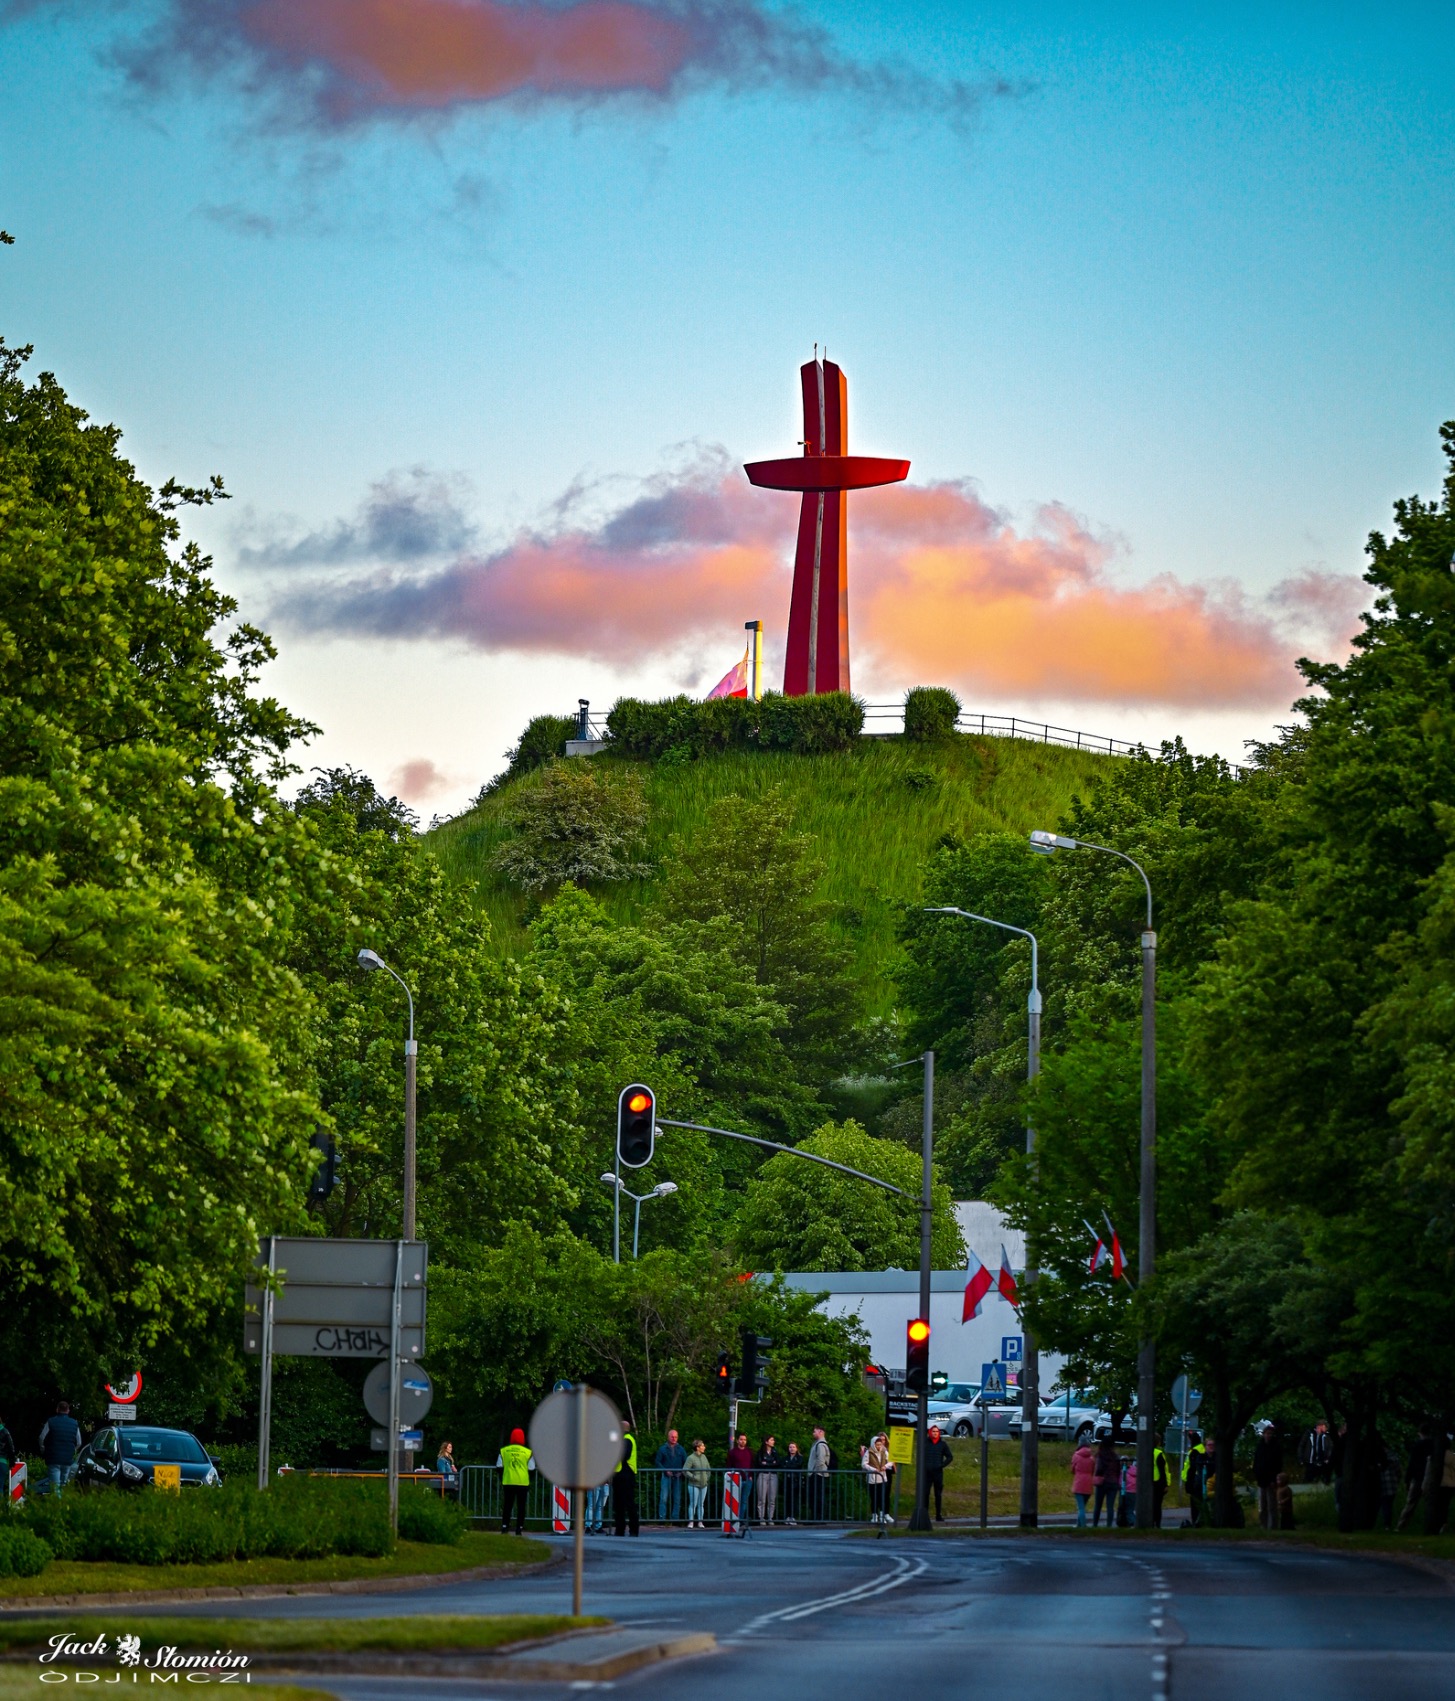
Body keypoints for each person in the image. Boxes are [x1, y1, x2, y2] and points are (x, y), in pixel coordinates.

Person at [496, 1427, 534, 1535]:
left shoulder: (504, 1451)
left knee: (507, 1505)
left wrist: (502, 1477)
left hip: (508, 1481)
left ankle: (505, 1527)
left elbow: (499, 1467)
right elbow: (531, 1468)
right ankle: (519, 1528)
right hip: (522, 1482)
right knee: (521, 1506)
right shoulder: (528, 1452)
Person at [38, 1402, 80, 1498]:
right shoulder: (74, 1423)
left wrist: (43, 1448)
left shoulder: (51, 1422)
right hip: (67, 1459)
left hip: (53, 1458)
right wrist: (73, 1450)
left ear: (57, 1409)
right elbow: (79, 1442)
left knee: (55, 1486)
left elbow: (41, 1437)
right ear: (68, 1411)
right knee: (63, 1484)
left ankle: (57, 1503)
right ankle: (63, 1503)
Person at [1398, 1423, 1434, 1531]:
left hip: (1417, 1477)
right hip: (1431, 1477)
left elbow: (1412, 1464)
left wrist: (1407, 1479)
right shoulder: (1434, 1445)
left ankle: (1401, 1526)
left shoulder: (1417, 1446)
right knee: (1431, 1503)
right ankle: (1432, 1525)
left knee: (1411, 1503)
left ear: (1419, 1433)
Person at [613, 1420, 640, 1536]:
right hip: (623, 1474)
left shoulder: (627, 1440)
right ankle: (622, 1529)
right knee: (620, 1504)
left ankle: (630, 1529)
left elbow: (624, 1456)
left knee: (626, 1503)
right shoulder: (626, 1439)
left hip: (625, 1474)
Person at [655, 1428, 686, 1524]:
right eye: (672, 1437)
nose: (674, 1438)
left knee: (677, 1498)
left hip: (677, 1477)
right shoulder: (662, 1449)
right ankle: (662, 1519)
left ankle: (675, 1519)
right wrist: (665, 1470)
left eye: (676, 1437)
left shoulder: (681, 1449)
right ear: (668, 1437)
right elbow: (657, 1462)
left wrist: (682, 1472)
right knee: (663, 1498)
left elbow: (686, 1463)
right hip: (666, 1476)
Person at [1254, 1423, 1282, 1531]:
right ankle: (1263, 1525)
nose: (1268, 1435)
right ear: (1263, 1434)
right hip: (1261, 1479)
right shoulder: (1260, 1447)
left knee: (1271, 1505)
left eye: (1270, 1434)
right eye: (1267, 1433)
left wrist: (1274, 1479)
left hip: (1271, 1480)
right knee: (1262, 1505)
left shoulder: (1276, 1447)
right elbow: (1257, 1462)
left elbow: (1278, 1465)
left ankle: (1272, 1526)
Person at [924, 1424, 953, 1521]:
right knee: (925, 1494)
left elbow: (950, 1457)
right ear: (930, 1432)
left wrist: (942, 1465)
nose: (935, 1433)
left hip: (938, 1473)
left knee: (938, 1494)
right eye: (933, 1431)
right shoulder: (925, 1443)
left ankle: (938, 1515)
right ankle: (925, 1515)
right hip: (927, 1473)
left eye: (937, 1432)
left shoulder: (942, 1444)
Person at [726, 1432, 753, 1533]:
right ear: (737, 1440)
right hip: (736, 1479)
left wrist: (751, 1476)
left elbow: (752, 1464)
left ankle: (741, 1520)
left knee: (744, 1501)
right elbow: (729, 1465)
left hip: (747, 1479)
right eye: (741, 1439)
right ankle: (734, 1520)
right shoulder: (733, 1452)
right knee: (735, 1500)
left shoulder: (749, 1452)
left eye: (744, 1440)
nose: (743, 1441)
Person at [863, 1433, 892, 1525]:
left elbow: (891, 1461)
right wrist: (873, 1469)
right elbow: (864, 1464)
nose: (879, 1446)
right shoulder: (869, 1452)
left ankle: (882, 1516)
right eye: (877, 1445)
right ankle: (874, 1515)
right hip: (872, 1479)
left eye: (880, 1444)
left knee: (882, 1497)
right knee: (874, 1498)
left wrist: (885, 1466)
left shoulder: (884, 1451)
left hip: (882, 1478)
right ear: (873, 1444)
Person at [1092, 1438, 1121, 1528]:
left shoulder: (1100, 1455)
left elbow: (1099, 1468)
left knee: (1098, 1505)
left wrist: (1097, 1474)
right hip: (1113, 1482)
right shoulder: (1116, 1456)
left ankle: (1095, 1524)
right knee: (1110, 1506)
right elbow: (1118, 1470)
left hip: (1102, 1482)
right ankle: (1109, 1525)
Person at [684, 1440, 712, 1528]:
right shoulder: (691, 1458)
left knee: (701, 1504)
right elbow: (685, 1470)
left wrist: (707, 1477)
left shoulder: (704, 1457)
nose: (704, 1447)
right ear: (697, 1448)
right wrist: (694, 1477)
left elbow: (708, 1469)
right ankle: (691, 1522)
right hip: (693, 1485)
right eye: (702, 1446)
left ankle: (700, 1522)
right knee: (693, 1504)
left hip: (704, 1484)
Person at [806, 1426, 831, 1524]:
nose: (813, 1433)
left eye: (814, 1431)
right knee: (815, 1496)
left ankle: (819, 1517)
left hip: (818, 1474)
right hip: (817, 1473)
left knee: (818, 1496)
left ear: (821, 1432)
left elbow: (820, 1460)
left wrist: (815, 1471)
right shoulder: (817, 1444)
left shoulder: (820, 1445)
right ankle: (816, 1517)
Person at [1182, 1432, 1207, 1527]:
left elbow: (1192, 1469)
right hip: (1200, 1481)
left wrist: (1189, 1484)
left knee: (1195, 1505)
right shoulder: (1201, 1449)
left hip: (1195, 1482)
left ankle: (1196, 1523)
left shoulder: (1194, 1452)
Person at [1071, 1438, 1096, 1528]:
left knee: (1081, 1508)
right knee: (1083, 1506)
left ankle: (1083, 1526)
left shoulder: (1076, 1456)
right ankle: (1079, 1525)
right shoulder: (1092, 1458)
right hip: (1088, 1483)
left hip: (1079, 1483)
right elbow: (1093, 1470)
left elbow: (1072, 1470)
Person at [1376, 1435, 1400, 1530]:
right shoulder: (1392, 1455)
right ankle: (1387, 1525)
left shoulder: (1377, 1456)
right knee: (1388, 1505)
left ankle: (1379, 1524)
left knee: (1380, 1505)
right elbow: (1398, 1470)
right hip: (1391, 1484)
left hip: (1381, 1484)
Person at [755, 1435, 780, 1525]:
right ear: (766, 1441)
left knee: (772, 1498)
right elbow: (760, 1463)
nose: (773, 1442)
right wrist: (771, 1463)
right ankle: (761, 1517)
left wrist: (767, 1463)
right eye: (771, 1440)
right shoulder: (761, 1452)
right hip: (763, 1474)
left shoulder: (775, 1452)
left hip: (773, 1475)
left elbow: (778, 1463)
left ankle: (770, 1517)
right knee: (761, 1497)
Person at [1301, 1419, 1333, 1485]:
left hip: (1323, 1461)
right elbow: (1302, 1446)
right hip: (1312, 1461)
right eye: (1320, 1427)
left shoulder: (1327, 1436)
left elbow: (1330, 1447)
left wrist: (1328, 1458)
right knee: (1310, 1478)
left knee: (1324, 1478)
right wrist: (1302, 1458)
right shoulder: (1311, 1435)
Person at [782, 1440, 805, 1525]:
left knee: (794, 1499)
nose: (792, 1449)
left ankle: (794, 1516)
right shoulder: (786, 1458)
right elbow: (783, 1466)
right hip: (787, 1480)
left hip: (796, 1481)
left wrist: (788, 1466)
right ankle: (787, 1516)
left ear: (796, 1448)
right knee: (788, 1499)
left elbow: (797, 1465)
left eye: (793, 1447)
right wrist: (789, 1466)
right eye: (790, 1447)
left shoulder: (800, 1458)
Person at [1152, 1437, 1171, 1528]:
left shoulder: (1144, 1452)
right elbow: (1163, 1471)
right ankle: (1157, 1524)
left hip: (1148, 1482)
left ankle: (1151, 1522)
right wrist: (1166, 1485)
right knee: (1157, 1505)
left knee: (1151, 1504)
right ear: (1158, 1442)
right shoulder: (1158, 1453)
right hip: (1158, 1482)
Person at [1121, 1457, 1138, 1526]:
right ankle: (1133, 1521)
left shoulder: (1124, 1471)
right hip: (1135, 1491)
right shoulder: (1135, 1470)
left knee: (1128, 1509)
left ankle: (1133, 1522)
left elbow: (1121, 1482)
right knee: (1132, 1508)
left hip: (1127, 1491)